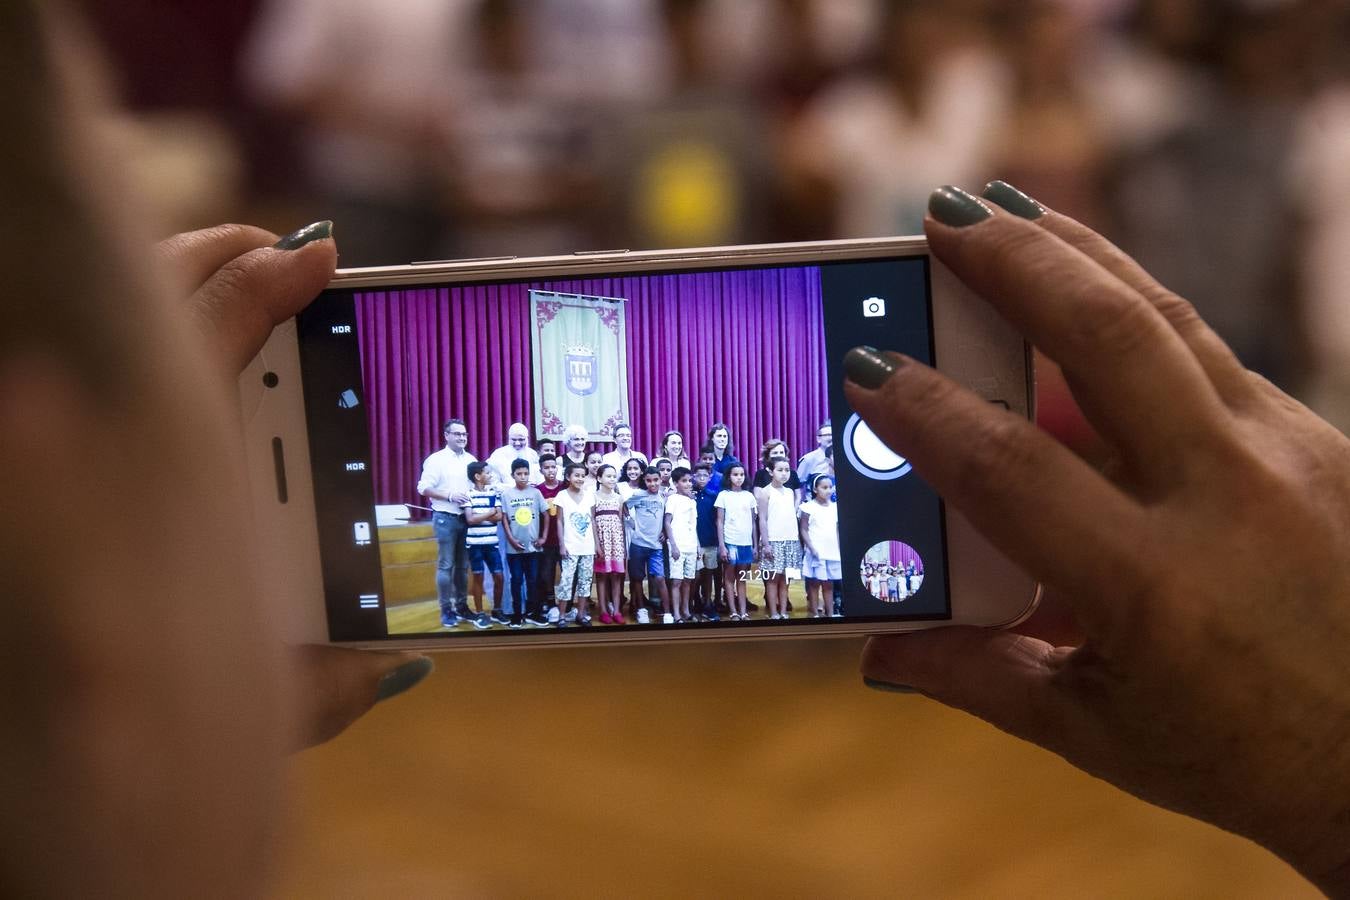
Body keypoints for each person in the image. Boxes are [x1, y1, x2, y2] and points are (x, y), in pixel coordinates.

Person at [417, 418, 477, 625]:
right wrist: (450, 496)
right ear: (446, 436)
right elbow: (423, 488)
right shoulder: (436, 460)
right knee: (446, 565)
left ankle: (462, 606)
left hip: (467, 518)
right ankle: (446, 610)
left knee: (462, 566)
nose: (462, 438)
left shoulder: (471, 459)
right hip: (445, 518)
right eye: (457, 434)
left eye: (464, 434)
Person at [500, 458, 549, 628]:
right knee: (516, 580)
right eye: (519, 474)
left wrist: (543, 537)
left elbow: (546, 514)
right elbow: (504, 519)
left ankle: (533, 613)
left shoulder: (535, 493)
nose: (523, 477)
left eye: (526, 473)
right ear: (512, 475)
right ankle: (517, 614)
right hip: (514, 548)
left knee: (533, 580)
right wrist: (511, 540)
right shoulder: (506, 494)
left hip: (533, 548)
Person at [624, 466, 671, 625]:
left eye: (655, 480)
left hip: (656, 546)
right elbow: (624, 506)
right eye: (649, 480)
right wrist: (630, 522)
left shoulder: (663, 497)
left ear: (660, 479)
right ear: (644, 480)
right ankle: (641, 610)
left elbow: (666, 517)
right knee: (637, 578)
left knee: (660, 578)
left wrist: (664, 530)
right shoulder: (638, 495)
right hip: (638, 544)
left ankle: (668, 612)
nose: (652, 483)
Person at [552, 461, 595, 627]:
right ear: (568, 477)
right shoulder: (561, 496)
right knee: (566, 581)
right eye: (576, 475)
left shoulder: (590, 495)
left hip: (587, 547)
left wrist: (596, 545)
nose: (580, 478)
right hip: (570, 547)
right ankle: (562, 616)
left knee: (585, 582)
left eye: (582, 476)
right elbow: (559, 522)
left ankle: (581, 614)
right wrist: (562, 545)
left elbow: (592, 521)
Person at [757, 457, 800, 620]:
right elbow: (762, 519)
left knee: (786, 579)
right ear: (770, 471)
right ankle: (773, 612)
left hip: (790, 540)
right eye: (780, 470)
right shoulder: (765, 492)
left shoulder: (789, 492)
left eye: (787, 470)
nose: (784, 474)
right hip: (773, 540)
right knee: (773, 579)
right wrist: (766, 543)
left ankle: (783, 611)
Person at [463, 461, 505, 628]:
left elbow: (499, 516)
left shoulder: (494, 493)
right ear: (477, 476)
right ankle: (480, 613)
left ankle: (497, 610)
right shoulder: (468, 495)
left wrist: (479, 515)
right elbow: (470, 520)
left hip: (491, 543)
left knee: (499, 577)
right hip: (475, 544)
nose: (490, 475)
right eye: (487, 473)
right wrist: (488, 512)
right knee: (478, 577)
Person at [714, 462, 757, 621]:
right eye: (735, 475)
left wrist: (754, 544)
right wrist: (722, 545)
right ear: (729, 477)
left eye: (741, 475)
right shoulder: (723, 495)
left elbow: (753, 522)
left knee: (742, 578)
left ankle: (743, 611)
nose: (739, 478)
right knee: (729, 577)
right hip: (730, 542)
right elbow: (719, 521)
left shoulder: (749, 496)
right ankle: (733, 611)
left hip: (746, 543)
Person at [799, 473, 841, 618]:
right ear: (815, 489)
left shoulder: (836, 507)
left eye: (830, 487)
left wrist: (839, 548)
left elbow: (836, 530)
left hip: (832, 551)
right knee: (814, 583)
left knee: (829, 584)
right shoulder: (808, 507)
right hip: (816, 550)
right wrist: (811, 548)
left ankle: (830, 614)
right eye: (824, 487)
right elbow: (803, 529)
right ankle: (815, 613)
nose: (828, 490)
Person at [591, 464, 627, 624]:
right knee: (601, 577)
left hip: (616, 541)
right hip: (601, 540)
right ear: (599, 478)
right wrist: (596, 544)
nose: (612, 479)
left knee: (616, 576)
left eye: (614, 476)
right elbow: (592, 520)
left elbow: (620, 521)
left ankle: (617, 610)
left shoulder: (619, 498)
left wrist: (623, 546)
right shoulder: (593, 497)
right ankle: (603, 610)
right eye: (608, 476)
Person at [663, 467, 699, 624]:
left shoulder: (692, 501)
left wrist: (697, 545)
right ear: (676, 483)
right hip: (678, 545)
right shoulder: (672, 499)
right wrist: (673, 545)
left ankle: (686, 610)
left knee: (688, 580)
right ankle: (676, 613)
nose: (688, 483)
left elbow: (693, 524)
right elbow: (667, 523)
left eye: (690, 480)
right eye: (684, 481)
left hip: (691, 545)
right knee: (676, 581)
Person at [533, 453, 566, 625]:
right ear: (541, 470)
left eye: (553, 467)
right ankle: (550, 603)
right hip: (546, 540)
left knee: (567, 573)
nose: (551, 470)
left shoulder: (564, 487)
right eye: (547, 468)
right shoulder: (537, 490)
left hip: (565, 540)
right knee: (547, 574)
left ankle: (566, 605)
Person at [692, 462, 721, 621]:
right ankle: (695, 601)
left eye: (705, 475)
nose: (701, 478)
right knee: (695, 575)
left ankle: (708, 603)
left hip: (710, 540)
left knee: (708, 573)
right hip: (694, 542)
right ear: (693, 477)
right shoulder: (690, 495)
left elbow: (718, 520)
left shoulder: (713, 496)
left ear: (710, 477)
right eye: (698, 475)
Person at [795, 422, 833, 491]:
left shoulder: (841, 458)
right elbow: (798, 485)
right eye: (827, 435)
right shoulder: (808, 459)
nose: (830, 438)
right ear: (818, 438)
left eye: (832, 434)